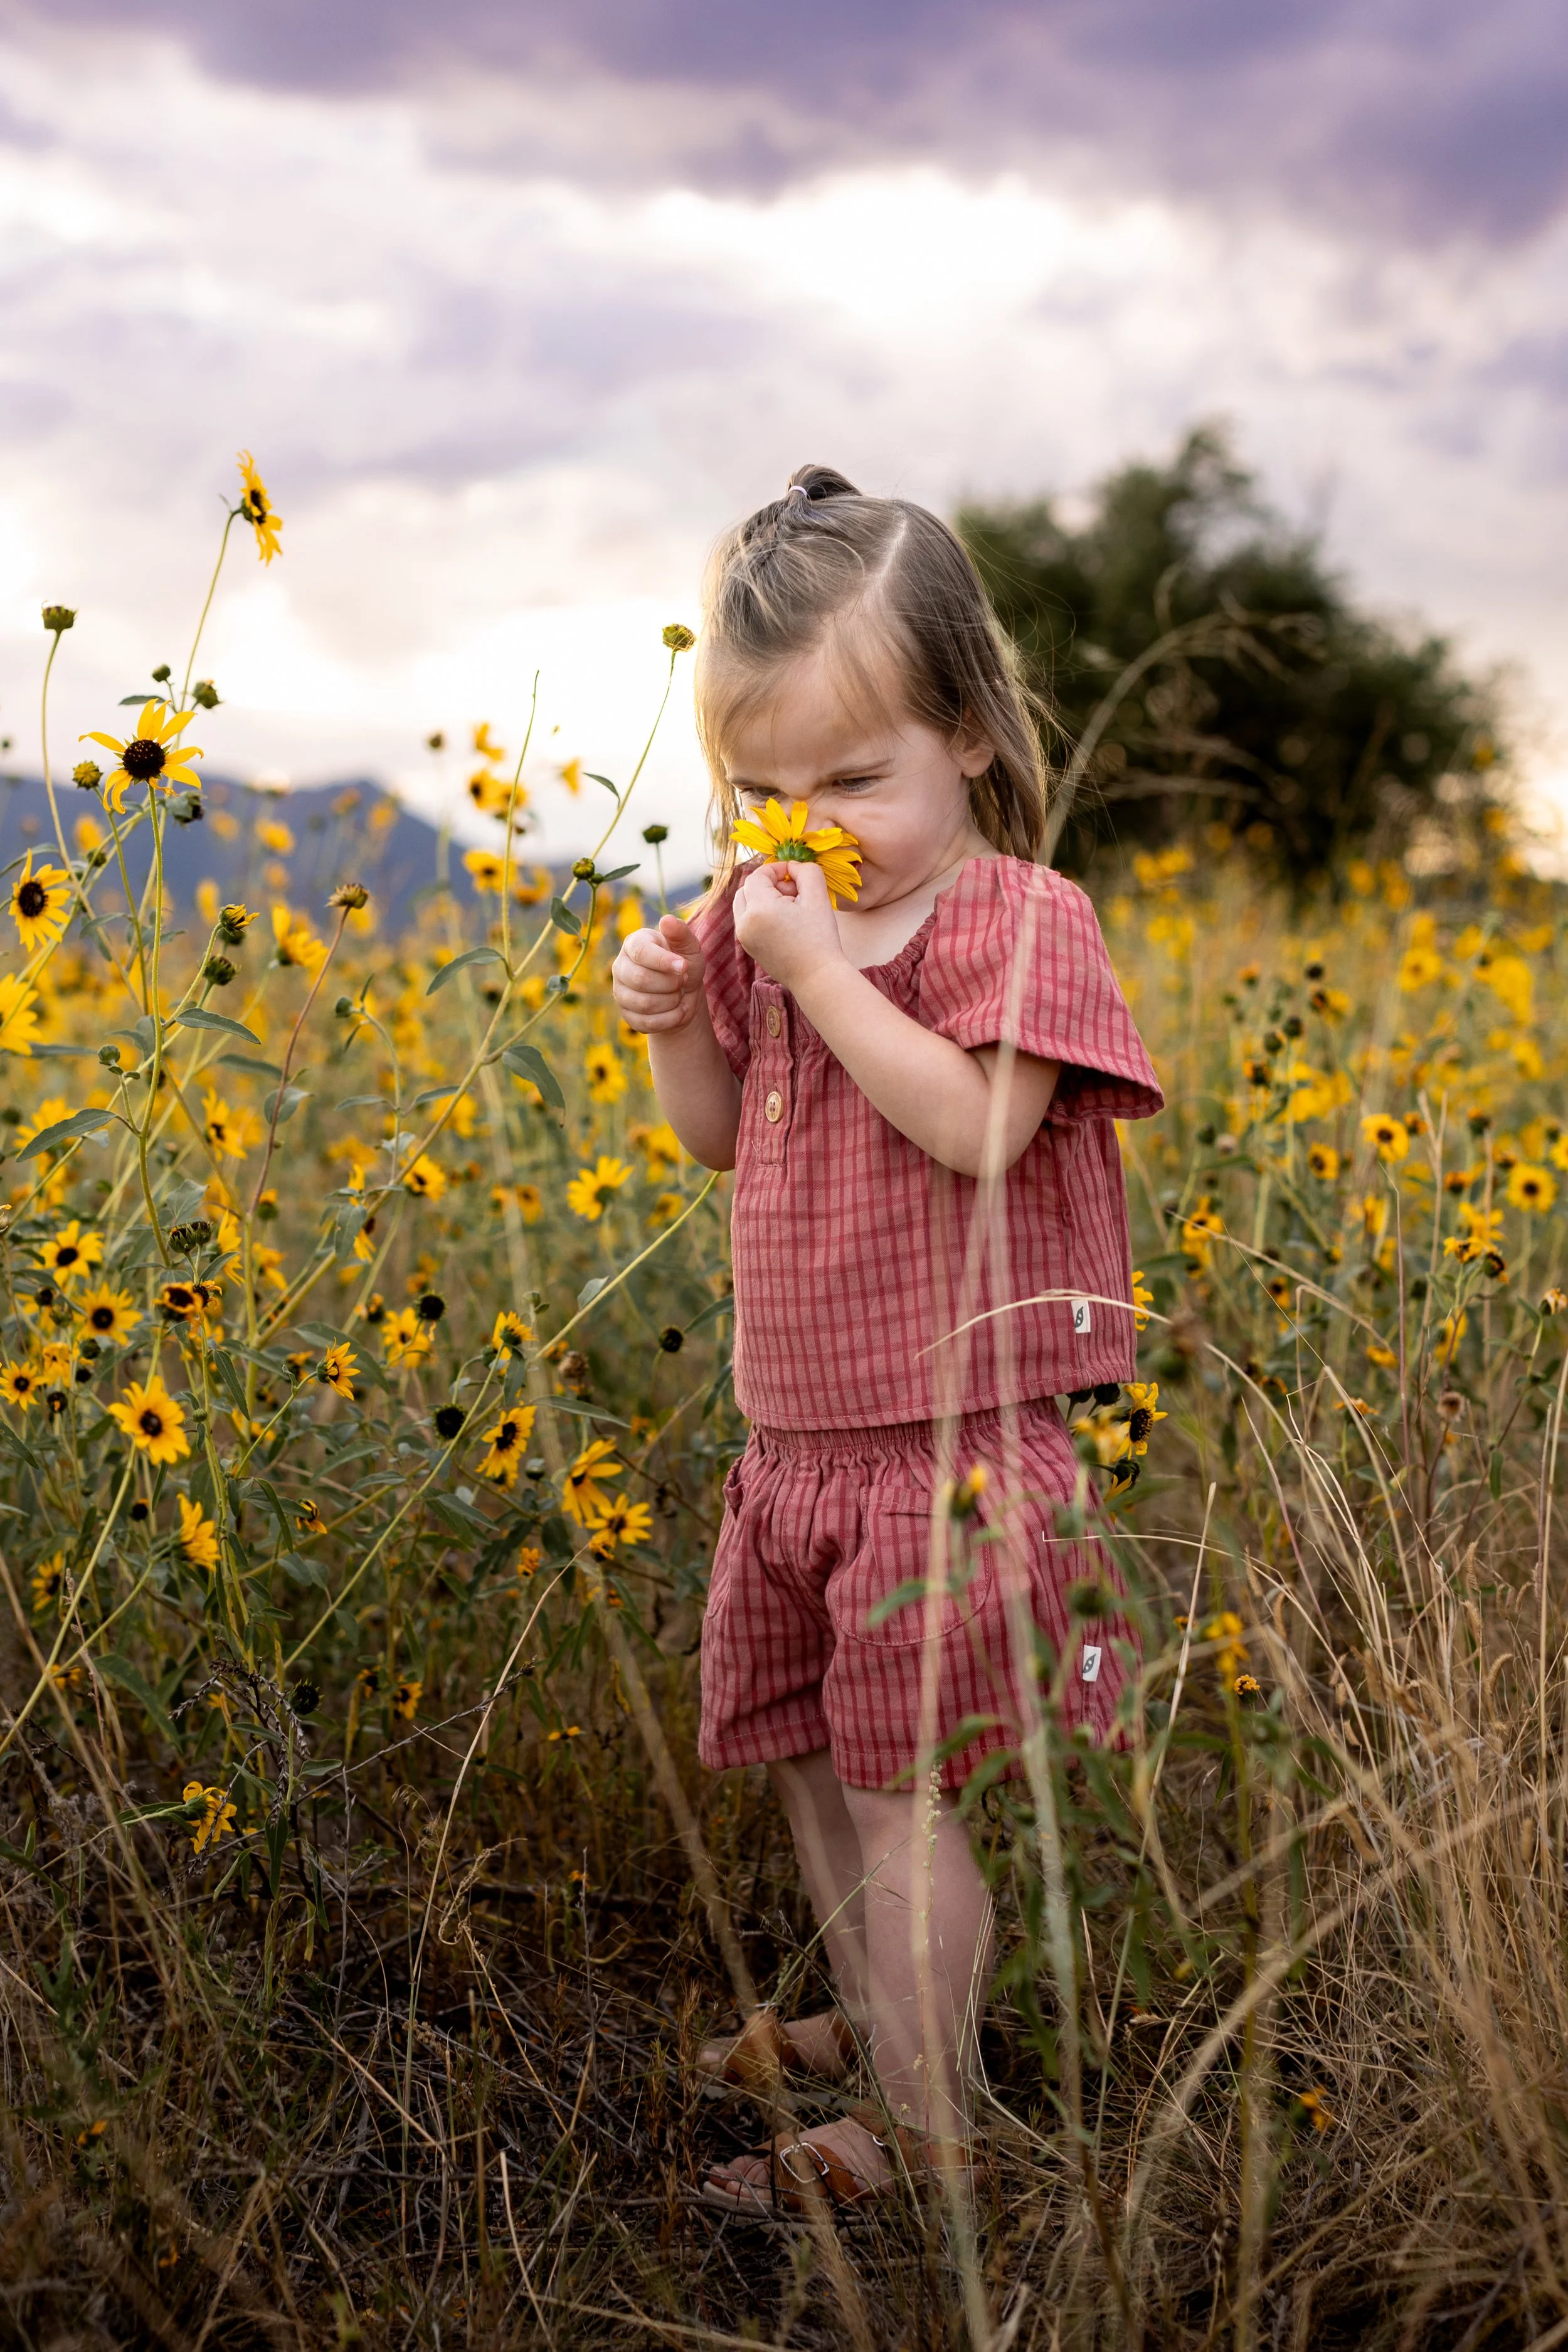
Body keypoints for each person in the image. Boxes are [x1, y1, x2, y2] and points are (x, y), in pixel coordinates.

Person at [610, 464, 1162, 2218]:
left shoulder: (1013, 920)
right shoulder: (772, 925)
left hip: (944, 1452)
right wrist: (669, 1013)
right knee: (804, 1762)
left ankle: (928, 2139)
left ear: (972, 738)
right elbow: (714, 1130)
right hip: (800, 1451)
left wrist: (820, 967)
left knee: (900, 1787)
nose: (808, 820)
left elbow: (974, 1127)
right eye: (762, 788)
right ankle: (872, 2015)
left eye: (856, 778)